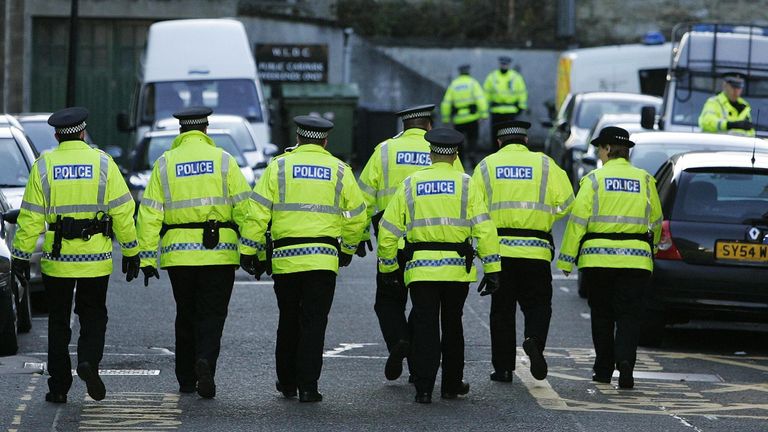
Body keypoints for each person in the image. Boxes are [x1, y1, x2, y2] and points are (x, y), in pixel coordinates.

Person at [10, 107, 140, 404]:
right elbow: (123, 211)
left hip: (57, 261)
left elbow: (30, 218)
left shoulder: (44, 165)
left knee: (58, 321)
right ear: (83, 133)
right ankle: (88, 363)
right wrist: (132, 252)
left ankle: (58, 386)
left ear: (57, 135)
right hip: (96, 260)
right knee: (93, 315)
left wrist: (19, 256)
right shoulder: (103, 163)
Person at [136, 107, 262, 399]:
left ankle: (185, 379)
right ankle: (205, 360)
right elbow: (246, 209)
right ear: (206, 130)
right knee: (213, 314)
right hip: (219, 254)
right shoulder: (224, 161)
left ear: (181, 131)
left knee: (186, 314)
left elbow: (150, 214)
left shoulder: (165, 163)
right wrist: (251, 249)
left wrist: (146, 256)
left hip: (179, 256)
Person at [377, 127, 501, 404]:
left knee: (424, 326)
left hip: (421, 270)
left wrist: (387, 268)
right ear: (455, 154)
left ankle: (423, 388)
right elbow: (484, 230)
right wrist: (493, 270)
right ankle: (451, 385)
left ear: (430, 153)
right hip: (457, 270)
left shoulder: (411, 184)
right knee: (453, 325)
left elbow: (388, 231)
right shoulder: (467, 184)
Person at [250, 116, 366, 402]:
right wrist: (347, 250)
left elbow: (257, 212)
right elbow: (357, 217)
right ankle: (308, 387)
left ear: (298, 139)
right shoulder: (340, 170)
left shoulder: (277, 167)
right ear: (325, 142)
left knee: (288, 319)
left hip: (286, 259)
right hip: (323, 259)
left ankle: (287, 382)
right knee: (315, 322)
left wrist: (250, 250)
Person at [356, 104, 463, 381]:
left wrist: (357, 235)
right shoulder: (442, 149)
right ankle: (420, 368)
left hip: (391, 238)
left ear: (403, 126)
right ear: (429, 125)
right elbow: (461, 191)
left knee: (388, 301)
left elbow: (364, 197)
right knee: (424, 306)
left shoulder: (384, 151)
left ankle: (399, 340)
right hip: (429, 239)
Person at [557, 126, 662, 389]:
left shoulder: (593, 180)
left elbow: (578, 221)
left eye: (598, 149)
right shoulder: (646, 180)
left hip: (598, 261)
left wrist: (566, 259)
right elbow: (656, 221)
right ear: (626, 152)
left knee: (602, 315)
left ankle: (603, 369)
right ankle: (625, 362)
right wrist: (655, 249)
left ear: (606, 150)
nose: (598, 154)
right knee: (629, 316)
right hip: (636, 261)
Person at [472, 121, 573, 383]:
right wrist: (544, 218)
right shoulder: (545, 164)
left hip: (500, 251)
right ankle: (534, 341)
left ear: (499, 143)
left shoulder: (486, 166)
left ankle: (504, 369)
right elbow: (567, 202)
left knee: (502, 311)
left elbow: (473, 208)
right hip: (536, 250)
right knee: (538, 304)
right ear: (526, 141)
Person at [440, 64, 488, 165]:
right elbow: (480, 99)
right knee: (472, 139)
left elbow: (446, 103)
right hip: (472, 118)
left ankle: (461, 160)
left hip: (458, 120)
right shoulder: (473, 83)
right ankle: (472, 153)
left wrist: (446, 118)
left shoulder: (454, 84)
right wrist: (483, 115)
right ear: (468, 72)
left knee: (459, 141)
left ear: (460, 72)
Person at [483, 56, 528, 145]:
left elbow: (522, 92)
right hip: (496, 111)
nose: (504, 66)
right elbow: (485, 94)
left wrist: (521, 107)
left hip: (510, 111)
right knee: (496, 135)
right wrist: (484, 110)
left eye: (505, 64)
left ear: (509, 65)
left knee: (509, 134)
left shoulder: (515, 77)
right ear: (499, 64)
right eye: (502, 64)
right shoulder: (492, 77)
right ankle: (495, 153)